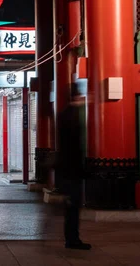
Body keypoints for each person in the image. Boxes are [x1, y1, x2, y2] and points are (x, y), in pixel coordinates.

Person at [56, 83, 92, 251]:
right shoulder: (72, 116)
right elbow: (74, 147)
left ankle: (72, 238)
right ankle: (72, 239)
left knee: (71, 207)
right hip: (72, 170)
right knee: (73, 206)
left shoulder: (64, 114)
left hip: (67, 169)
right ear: (77, 96)